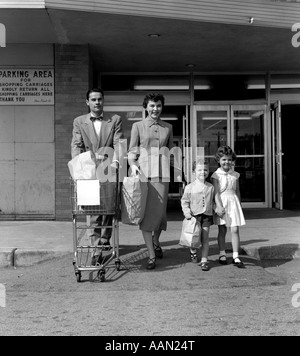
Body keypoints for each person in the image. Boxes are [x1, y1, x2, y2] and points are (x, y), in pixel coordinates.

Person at [71, 88, 124, 264]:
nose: (97, 102)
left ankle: (104, 241)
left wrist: (116, 162)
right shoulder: (79, 121)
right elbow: (77, 145)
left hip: (108, 169)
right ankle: (95, 250)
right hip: (88, 171)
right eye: (93, 99)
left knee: (108, 209)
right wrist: (79, 168)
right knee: (93, 211)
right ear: (87, 102)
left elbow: (118, 142)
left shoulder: (114, 120)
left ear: (103, 101)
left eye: (100, 99)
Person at [128, 93, 176, 270]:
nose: (155, 109)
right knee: (148, 216)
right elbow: (132, 151)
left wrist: (179, 174)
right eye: (152, 106)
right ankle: (151, 254)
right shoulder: (137, 126)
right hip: (144, 176)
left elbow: (171, 153)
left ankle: (156, 241)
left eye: (158, 105)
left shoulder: (168, 127)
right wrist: (133, 164)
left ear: (162, 107)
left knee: (160, 215)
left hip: (163, 176)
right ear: (146, 107)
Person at [211, 145, 246, 268]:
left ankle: (236, 255)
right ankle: (222, 253)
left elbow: (237, 192)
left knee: (235, 229)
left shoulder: (235, 175)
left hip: (233, 202)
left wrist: (239, 206)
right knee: (222, 230)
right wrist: (218, 207)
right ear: (219, 160)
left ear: (232, 160)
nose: (227, 162)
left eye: (229, 159)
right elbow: (216, 193)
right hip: (222, 202)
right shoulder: (216, 175)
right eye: (224, 159)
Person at [181, 158, 214, 271]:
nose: (202, 172)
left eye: (205, 170)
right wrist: (187, 213)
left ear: (208, 171)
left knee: (205, 238)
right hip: (194, 216)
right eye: (199, 170)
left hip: (207, 216)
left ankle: (204, 260)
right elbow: (184, 201)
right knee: (194, 237)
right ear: (194, 172)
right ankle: (193, 251)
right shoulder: (189, 187)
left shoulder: (210, 187)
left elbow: (213, 201)